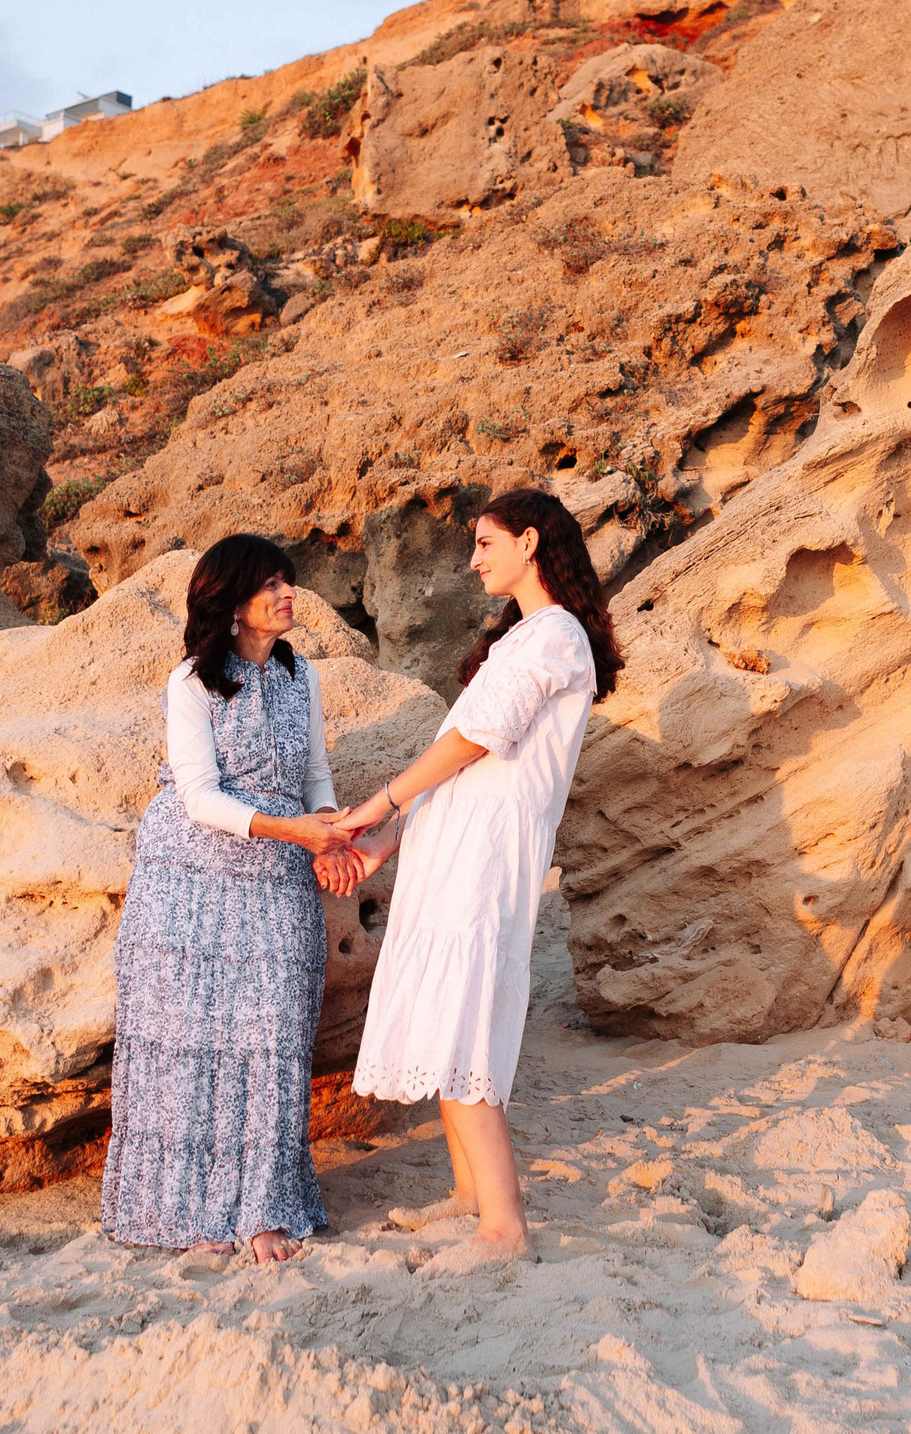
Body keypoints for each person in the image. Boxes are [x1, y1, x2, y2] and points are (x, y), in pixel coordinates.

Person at [324, 487, 624, 1277]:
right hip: (455, 840)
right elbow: (458, 758)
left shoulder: (555, 635)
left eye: (486, 543)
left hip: (487, 851)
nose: (473, 559)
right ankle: (467, 1194)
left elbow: (472, 740)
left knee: (464, 1022)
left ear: (531, 543)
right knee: (445, 1012)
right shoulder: (528, 637)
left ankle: (504, 1225)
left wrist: (382, 799)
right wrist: (388, 840)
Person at [100, 534, 353, 1264]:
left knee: (272, 1035)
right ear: (232, 602)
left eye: (287, 581)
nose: (286, 594)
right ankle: (192, 1212)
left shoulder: (302, 675)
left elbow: (315, 775)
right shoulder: (192, 681)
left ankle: (265, 1207)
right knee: (191, 1042)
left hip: (277, 871)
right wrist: (295, 833)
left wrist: (329, 835)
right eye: (269, 584)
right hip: (189, 877)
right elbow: (199, 795)